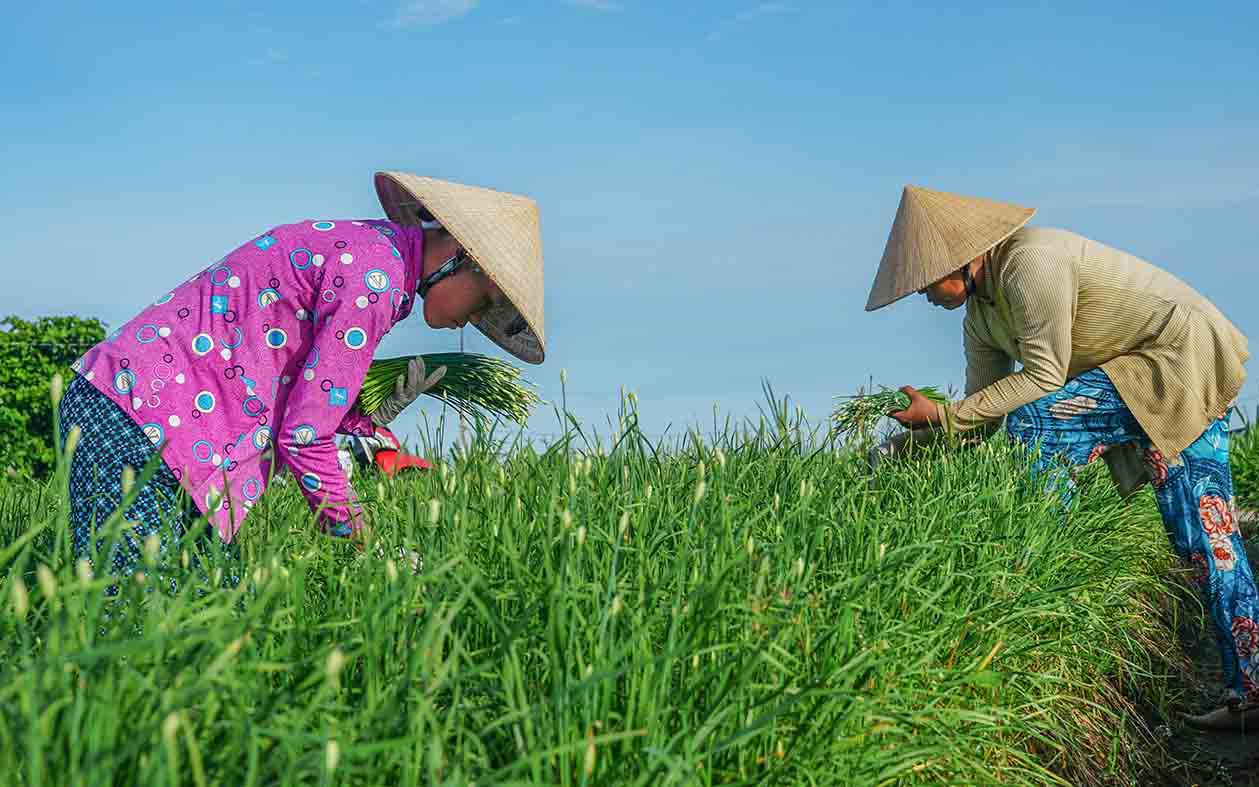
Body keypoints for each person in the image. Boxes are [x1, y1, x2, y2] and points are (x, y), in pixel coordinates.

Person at [865, 185, 1256, 731]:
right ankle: (1251, 696)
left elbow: (1044, 377)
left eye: (925, 281)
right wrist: (898, 452)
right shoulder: (981, 318)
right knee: (1201, 537)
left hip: (1181, 358)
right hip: (1142, 382)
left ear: (957, 260)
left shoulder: (1031, 262)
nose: (924, 296)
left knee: (1048, 426)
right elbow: (981, 415)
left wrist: (948, 416)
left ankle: (1033, 575)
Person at [59, 171, 546, 582]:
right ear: (460, 257)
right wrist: (363, 544)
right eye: (481, 304)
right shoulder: (375, 281)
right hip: (134, 415)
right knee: (131, 611)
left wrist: (369, 416)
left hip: (164, 426)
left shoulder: (378, 258)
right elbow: (305, 435)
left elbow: (298, 391)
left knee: (208, 621)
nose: (468, 322)